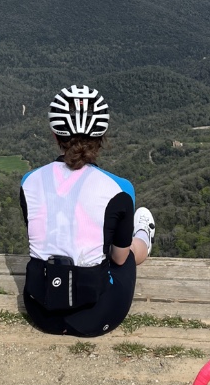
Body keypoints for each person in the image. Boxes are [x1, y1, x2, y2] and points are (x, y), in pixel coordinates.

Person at [19, 84, 155, 337]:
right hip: (97, 315)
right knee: (125, 256)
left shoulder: (29, 181)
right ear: (101, 138)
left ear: (54, 136)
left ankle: (138, 237)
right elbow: (118, 258)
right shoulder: (120, 189)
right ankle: (144, 239)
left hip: (39, 309)